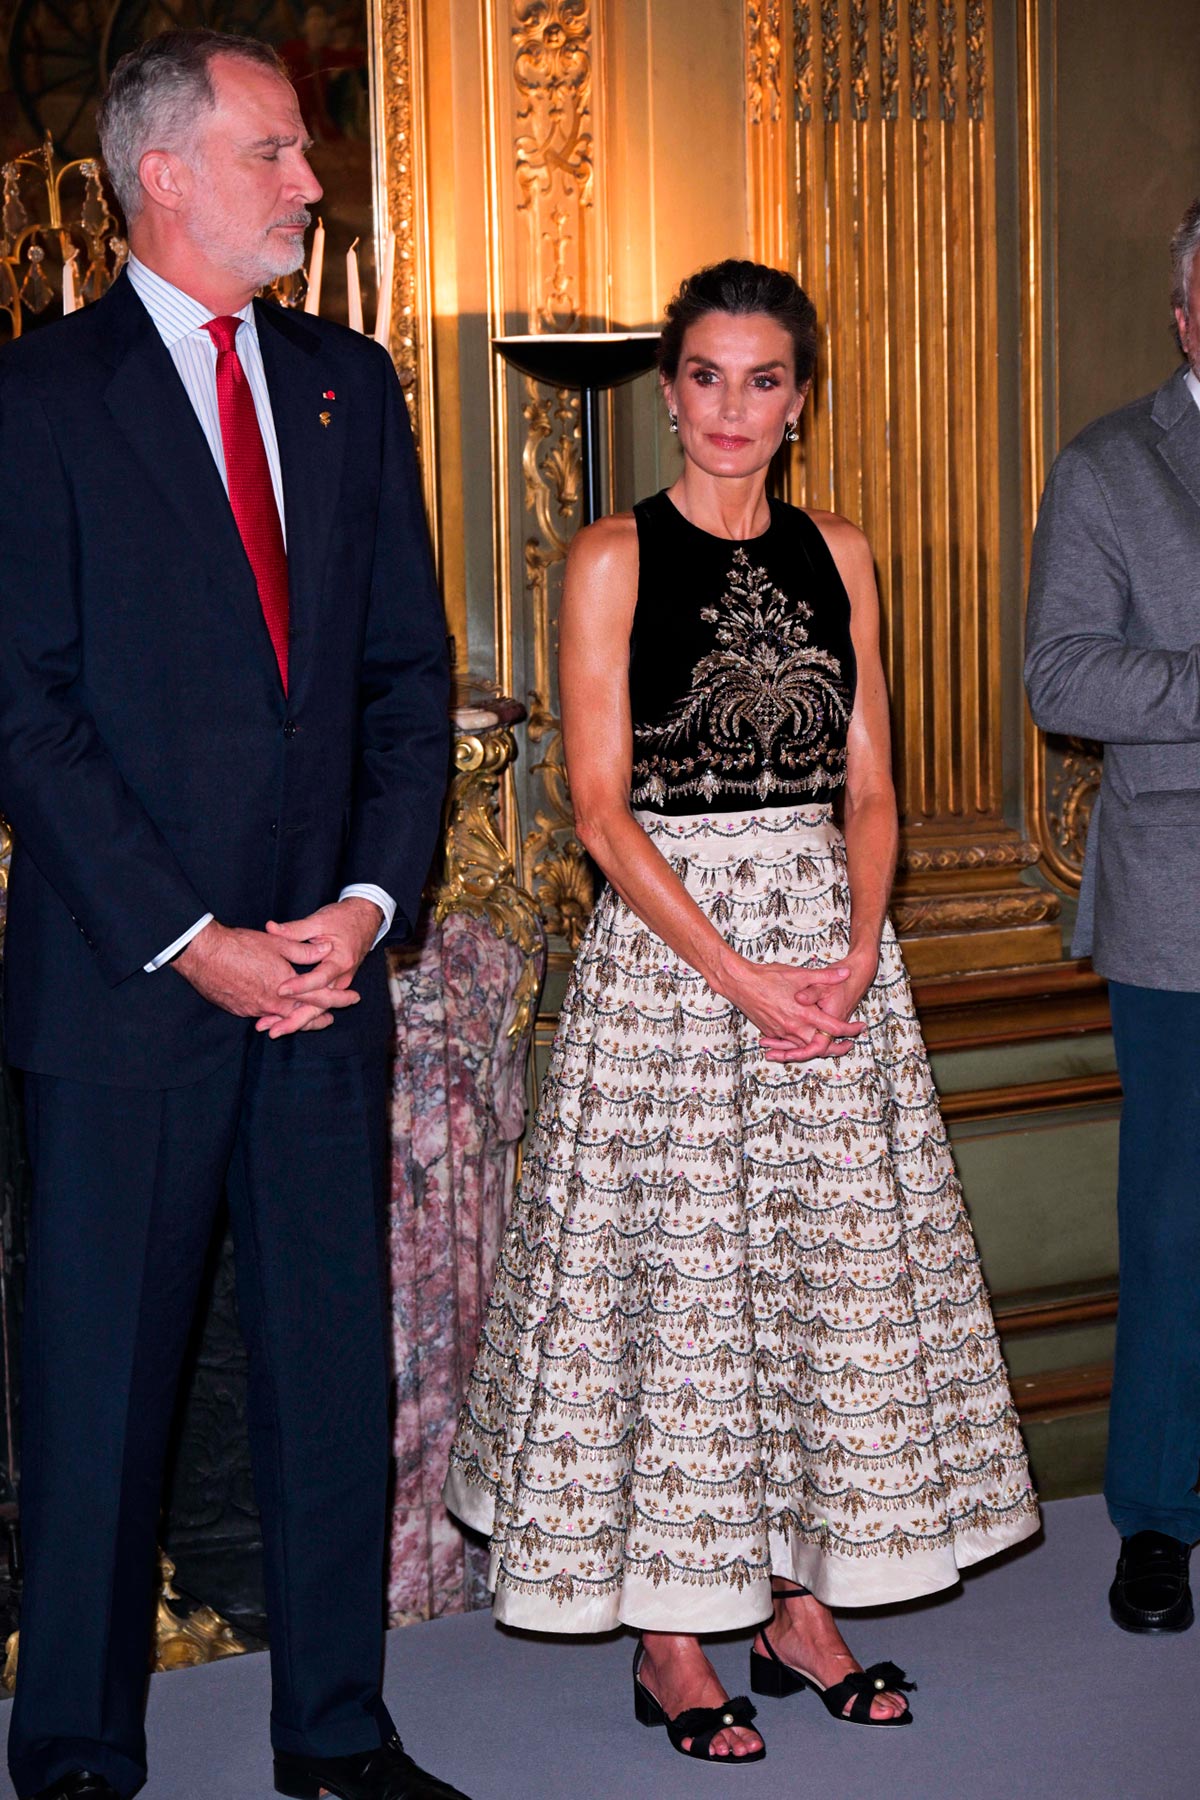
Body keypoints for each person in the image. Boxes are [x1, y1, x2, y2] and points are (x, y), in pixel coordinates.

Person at [445, 259, 1039, 1766]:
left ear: (800, 397)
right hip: (674, 963)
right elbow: (593, 806)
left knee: (813, 1286)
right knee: (681, 1291)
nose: (731, 408)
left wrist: (850, 951)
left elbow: (875, 785)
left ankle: (794, 1603)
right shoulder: (608, 558)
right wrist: (746, 977)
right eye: (705, 375)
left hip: (830, 961)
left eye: (762, 378)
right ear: (669, 390)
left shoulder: (841, 549)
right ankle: (665, 1634)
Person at [0, 30, 462, 1800]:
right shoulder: (38, 399)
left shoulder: (353, 387)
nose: (309, 182)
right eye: (275, 150)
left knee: (331, 1377)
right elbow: (23, 712)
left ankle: (337, 1736)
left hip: (326, 984)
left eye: (307, 153)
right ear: (164, 172)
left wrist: (362, 903)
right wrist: (191, 936)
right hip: (128, 997)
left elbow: (403, 680)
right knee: (102, 1395)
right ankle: (77, 1763)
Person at [1025, 198, 1200, 1639]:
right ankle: (1157, 1523)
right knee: (1179, 1229)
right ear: (1186, 309)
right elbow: (1063, 678)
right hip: (1183, 924)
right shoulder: (1110, 468)